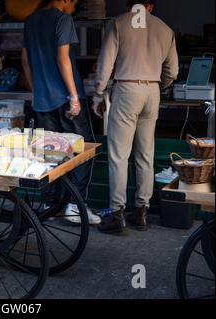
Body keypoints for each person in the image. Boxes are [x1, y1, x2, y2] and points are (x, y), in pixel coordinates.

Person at [92, 0, 179, 234]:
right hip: (152, 91)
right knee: (145, 154)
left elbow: (105, 64)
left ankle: (117, 213)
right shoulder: (165, 28)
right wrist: (158, 85)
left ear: (129, 5)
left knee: (119, 155)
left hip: (127, 89)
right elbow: (173, 71)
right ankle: (142, 212)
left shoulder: (118, 23)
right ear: (150, 6)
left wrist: (98, 94)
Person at [22, 0, 100, 224]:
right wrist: (74, 97)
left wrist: (37, 90)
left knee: (51, 154)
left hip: (43, 102)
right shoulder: (62, 20)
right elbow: (62, 58)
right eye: (74, 1)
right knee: (83, 151)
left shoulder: (31, 21)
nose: (74, 6)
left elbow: (25, 61)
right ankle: (75, 206)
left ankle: (51, 205)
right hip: (65, 99)